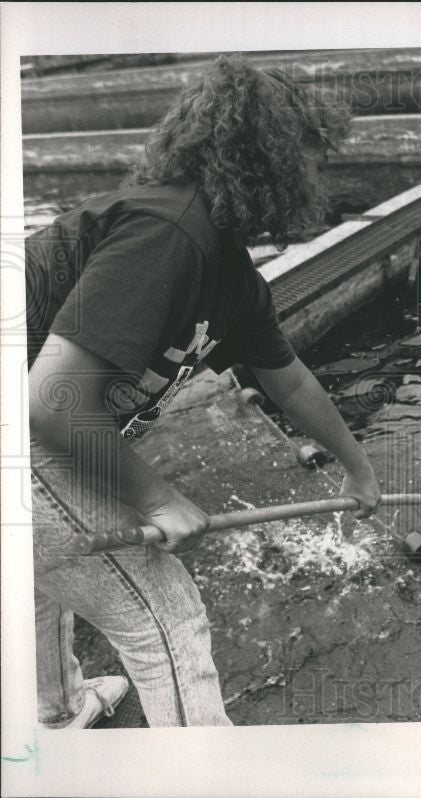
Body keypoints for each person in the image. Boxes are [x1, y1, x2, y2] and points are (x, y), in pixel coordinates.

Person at [25, 54, 380, 728]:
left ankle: (56, 707)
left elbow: (292, 380)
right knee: (169, 622)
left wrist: (358, 468)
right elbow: (53, 401)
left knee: (51, 575)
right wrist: (156, 496)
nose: (318, 174)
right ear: (268, 153)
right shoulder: (169, 231)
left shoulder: (233, 277)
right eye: (311, 155)